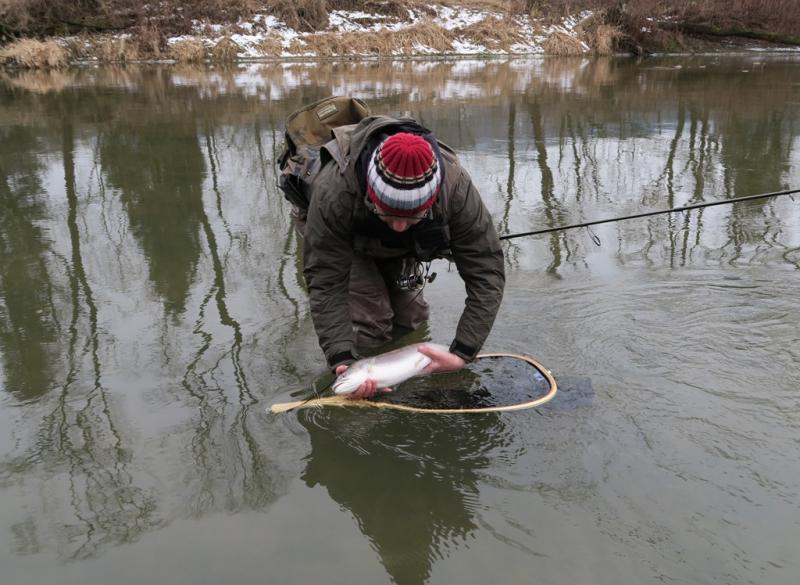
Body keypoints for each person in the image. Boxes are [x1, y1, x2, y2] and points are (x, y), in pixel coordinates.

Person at [295, 112, 505, 398]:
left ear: (431, 200)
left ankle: (400, 376)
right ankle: (369, 383)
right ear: (372, 194)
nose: (398, 226)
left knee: (411, 316)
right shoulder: (334, 194)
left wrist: (463, 352)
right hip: (344, 236)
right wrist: (341, 356)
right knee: (372, 321)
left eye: (411, 215)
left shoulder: (456, 190)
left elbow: (487, 272)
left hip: (402, 239)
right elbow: (326, 281)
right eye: (389, 213)